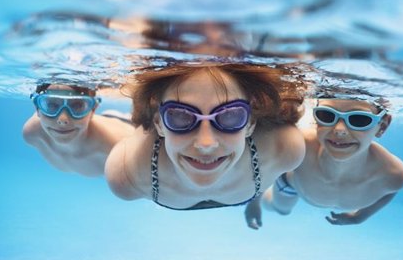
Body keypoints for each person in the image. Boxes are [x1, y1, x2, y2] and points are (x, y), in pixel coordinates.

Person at [104, 62, 306, 210]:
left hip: (255, 188)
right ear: (159, 123)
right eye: (180, 117)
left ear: (250, 123)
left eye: (230, 116)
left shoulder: (285, 148)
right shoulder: (127, 174)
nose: (205, 144)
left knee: (280, 209)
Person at [244, 92, 403, 229]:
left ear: (383, 126)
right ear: (316, 119)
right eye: (327, 115)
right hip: (290, 185)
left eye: (359, 119)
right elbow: (267, 168)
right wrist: (253, 203)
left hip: (306, 189)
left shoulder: (393, 174)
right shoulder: (300, 144)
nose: (339, 130)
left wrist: (360, 217)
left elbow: (390, 191)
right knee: (281, 210)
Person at [23, 83, 134, 177]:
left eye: (77, 106)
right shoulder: (32, 133)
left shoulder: (119, 149)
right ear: (37, 109)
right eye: (51, 105)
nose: (63, 120)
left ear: (93, 110)